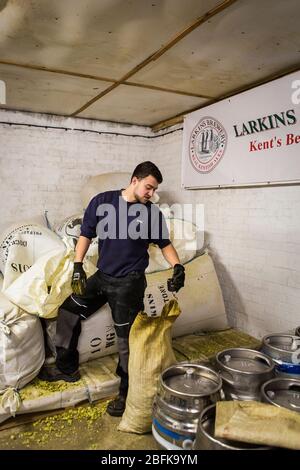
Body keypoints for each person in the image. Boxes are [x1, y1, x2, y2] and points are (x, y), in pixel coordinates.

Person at [39, 161, 185, 416]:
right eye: (149, 187)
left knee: (127, 340)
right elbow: (86, 234)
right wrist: (77, 265)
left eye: (154, 189)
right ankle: (67, 368)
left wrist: (178, 267)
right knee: (68, 311)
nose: (151, 193)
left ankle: (126, 393)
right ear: (134, 181)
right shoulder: (102, 202)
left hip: (130, 283)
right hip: (102, 276)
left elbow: (165, 244)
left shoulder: (151, 214)